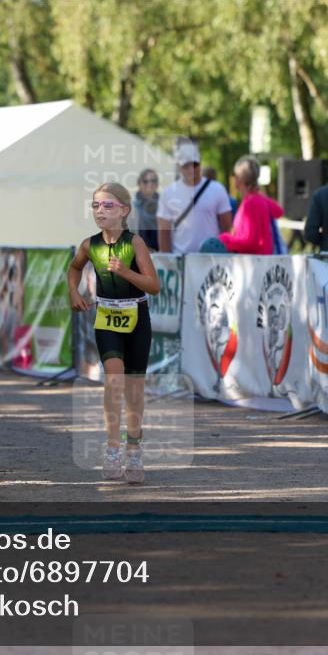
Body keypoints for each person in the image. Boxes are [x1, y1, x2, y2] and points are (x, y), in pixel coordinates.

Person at [68, 182, 160, 483]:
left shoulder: (134, 244)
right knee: (113, 380)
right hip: (106, 317)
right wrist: (74, 290)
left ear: (124, 210)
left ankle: (134, 448)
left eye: (107, 205)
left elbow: (154, 286)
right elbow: (74, 268)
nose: (100, 211)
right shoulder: (89, 245)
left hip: (136, 316)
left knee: (134, 389)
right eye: (95, 205)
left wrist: (125, 272)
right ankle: (111, 448)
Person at [157, 142, 232, 254]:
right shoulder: (168, 193)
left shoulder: (217, 189)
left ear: (200, 163)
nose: (191, 169)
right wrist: (168, 261)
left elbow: (227, 228)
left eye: (195, 164)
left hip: (211, 258)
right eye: (186, 166)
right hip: (180, 259)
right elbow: (164, 231)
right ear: (179, 166)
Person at [199, 156, 283, 255]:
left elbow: (251, 242)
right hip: (260, 260)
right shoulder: (257, 198)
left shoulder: (251, 203)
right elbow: (278, 211)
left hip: (255, 263)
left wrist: (225, 239)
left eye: (234, 174)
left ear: (239, 178)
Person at [132, 169, 160, 251]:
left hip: (160, 253)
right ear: (139, 184)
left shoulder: (164, 205)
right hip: (139, 253)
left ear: (157, 184)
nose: (150, 184)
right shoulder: (132, 207)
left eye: (153, 181)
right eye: (145, 181)